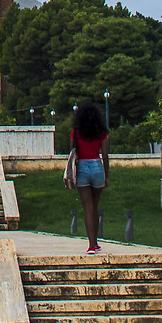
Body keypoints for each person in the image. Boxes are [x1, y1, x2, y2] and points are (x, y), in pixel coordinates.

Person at [69, 102, 110, 254]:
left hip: (82, 168)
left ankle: (91, 245)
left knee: (88, 208)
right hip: (97, 166)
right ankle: (96, 242)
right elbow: (105, 155)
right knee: (95, 207)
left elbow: (72, 153)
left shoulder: (76, 132)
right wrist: (106, 176)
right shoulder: (101, 132)